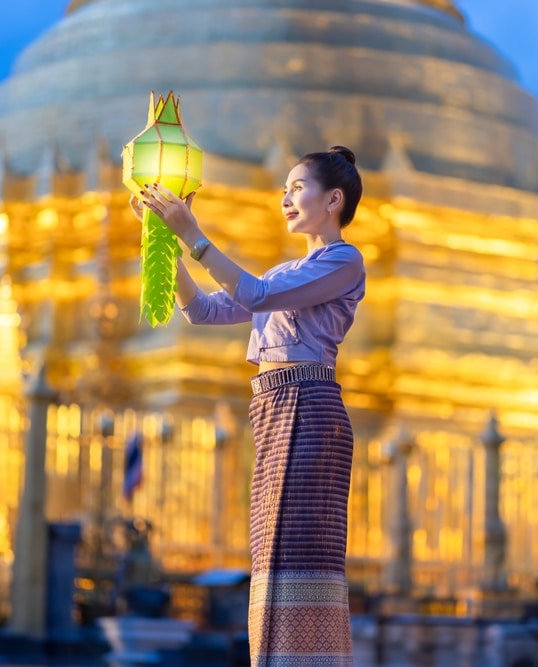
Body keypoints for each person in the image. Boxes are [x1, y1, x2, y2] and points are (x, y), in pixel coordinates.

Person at [134, 145, 365, 666]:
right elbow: (203, 311)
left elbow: (255, 295)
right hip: (275, 409)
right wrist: (164, 242)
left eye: (297, 187)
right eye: (284, 189)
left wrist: (194, 234)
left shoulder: (343, 261)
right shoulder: (288, 270)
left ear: (333, 199)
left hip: (309, 405)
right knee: (271, 552)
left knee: (301, 548)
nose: (286, 198)